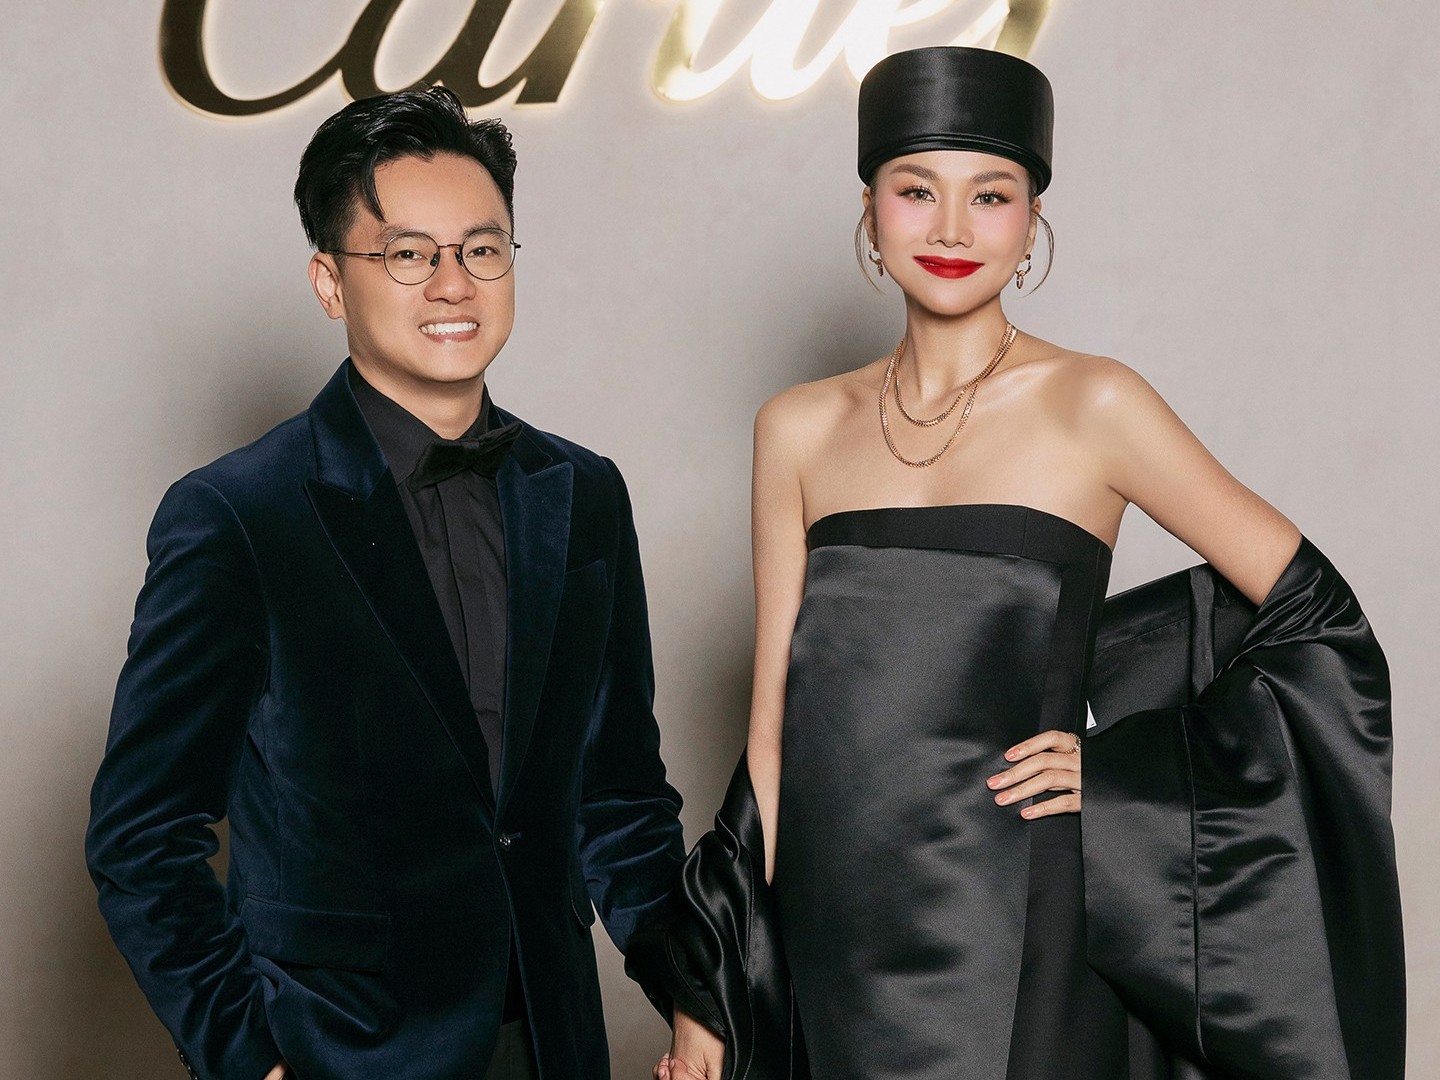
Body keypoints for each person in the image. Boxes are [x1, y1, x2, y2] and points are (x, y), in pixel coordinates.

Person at [642, 47, 1405, 1080]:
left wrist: (1127, 767)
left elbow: (1316, 615)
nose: (952, 230)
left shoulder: (1097, 404)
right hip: (834, 932)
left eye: (991, 195)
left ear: (1033, 217)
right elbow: (773, 735)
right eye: (917, 191)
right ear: (869, 208)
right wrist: (717, 991)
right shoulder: (796, 428)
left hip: (1021, 917)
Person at [85, 86, 686, 1080]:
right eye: (408, 255)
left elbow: (618, 796)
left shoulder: (584, 493)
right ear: (331, 282)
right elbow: (141, 836)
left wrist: (693, 994)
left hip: (552, 1040)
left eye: (481, 250)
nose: (453, 285)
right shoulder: (237, 516)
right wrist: (251, 1058)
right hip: (341, 1049)